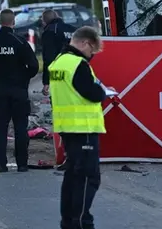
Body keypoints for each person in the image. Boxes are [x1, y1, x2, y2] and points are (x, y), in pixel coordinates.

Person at [49, 26, 110, 229]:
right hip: (83, 128)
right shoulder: (78, 64)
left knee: (72, 178)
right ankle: (82, 222)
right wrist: (102, 92)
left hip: (66, 127)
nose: (91, 55)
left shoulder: (59, 61)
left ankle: (68, 222)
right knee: (87, 178)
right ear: (85, 43)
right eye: (91, 50)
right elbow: (91, 92)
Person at [0, 9, 39, 173]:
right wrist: (24, 78)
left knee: (1, 128)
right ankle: (22, 164)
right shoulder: (20, 42)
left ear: (0, 22)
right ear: (13, 22)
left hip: (1, 90)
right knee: (21, 127)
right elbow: (34, 66)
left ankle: (0, 164)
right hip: (19, 91)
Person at [41, 9, 76, 96]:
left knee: (61, 98)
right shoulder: (73, 29)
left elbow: (48, 57)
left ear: (45, 21)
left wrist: (46, 81)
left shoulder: (50, 31)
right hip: (76, 70)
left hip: (59, 73)